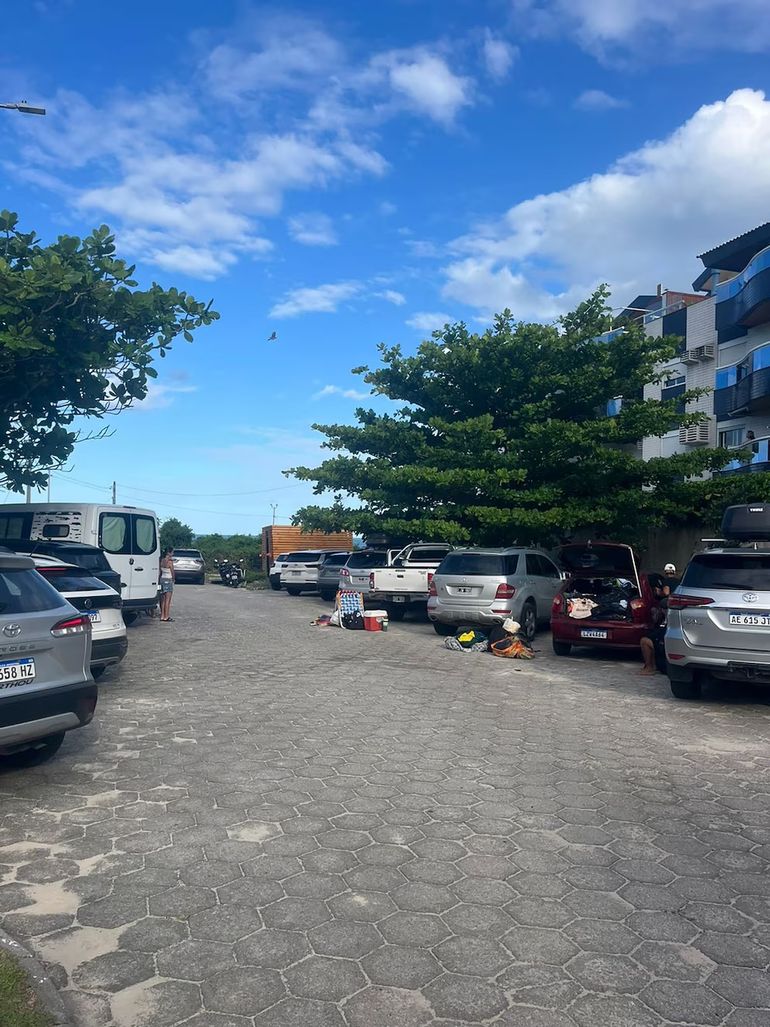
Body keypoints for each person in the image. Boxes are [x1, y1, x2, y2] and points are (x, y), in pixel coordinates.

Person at [640, 576, 668, 676]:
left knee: (645, 641)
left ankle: (649, 667)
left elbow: (666, 592)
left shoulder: (666, 582)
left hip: (665, 665)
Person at [159, 547, 175, 622]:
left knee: (162, 599)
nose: (173, 554)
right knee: (168, 600)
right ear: (169, 553)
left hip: (162, 579)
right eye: (172, 552)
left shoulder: (161, 560)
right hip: (168, 579)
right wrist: (174, 579)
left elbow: (160, 572)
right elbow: (172, 572)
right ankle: (166, 616)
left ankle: (162, 615)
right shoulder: (170, 562)